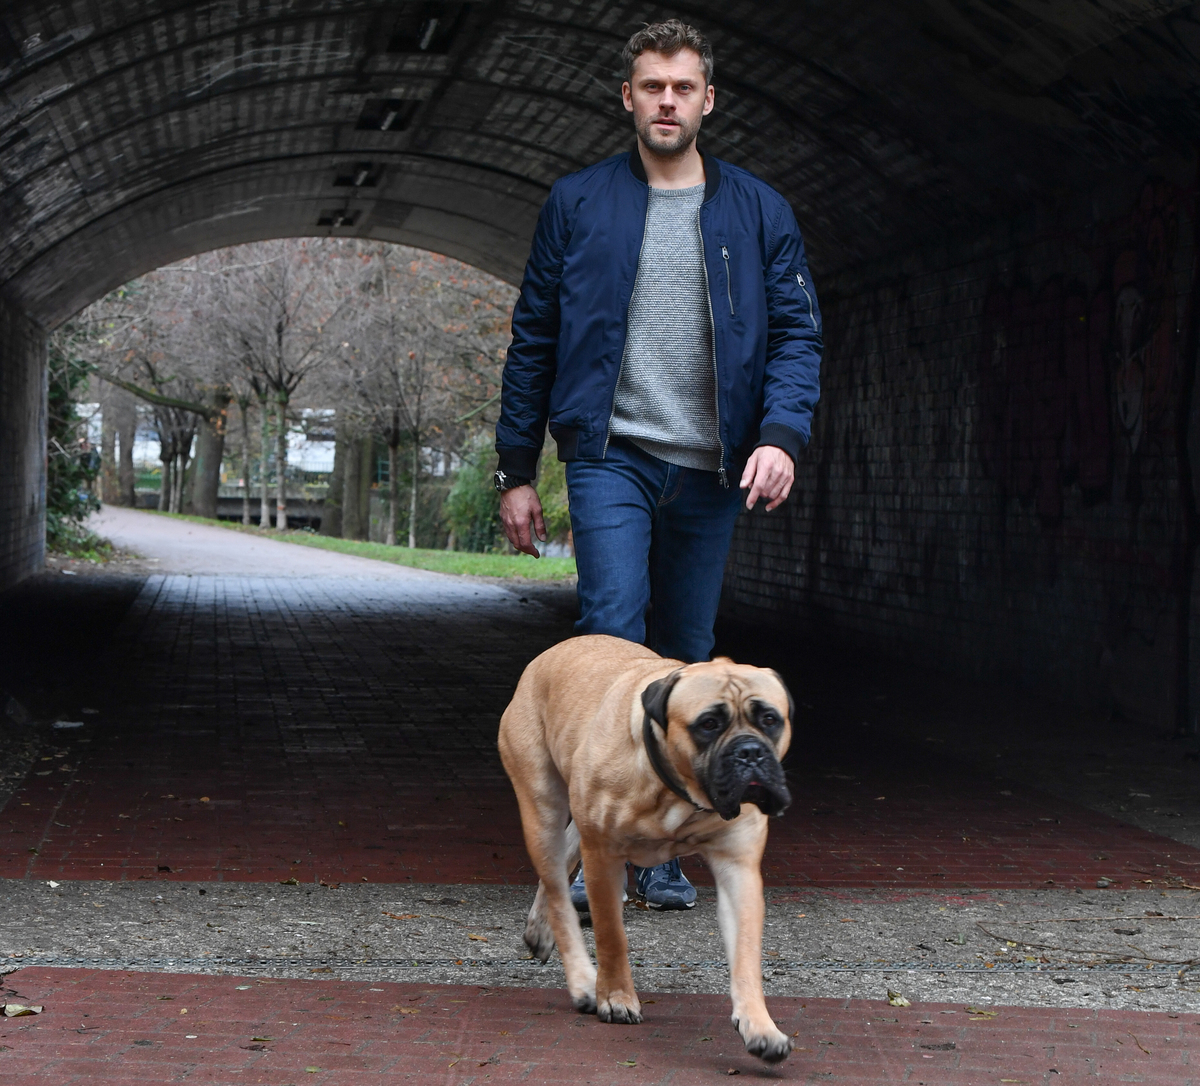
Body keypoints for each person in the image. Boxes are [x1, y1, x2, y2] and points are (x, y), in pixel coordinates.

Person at [494, 19, 822, 910]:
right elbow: (535, 338)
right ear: (627, 97)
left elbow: (797, 335)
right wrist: (515, 469)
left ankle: (663, 842)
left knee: (686, 654)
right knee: (610, 631)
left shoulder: (759, 211)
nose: (666, 101)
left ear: (707, 99)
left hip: (714, 467)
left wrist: (779, 436)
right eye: (651, 87)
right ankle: (598, 831)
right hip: (612, 456)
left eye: (683, 88)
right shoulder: (578, 202)